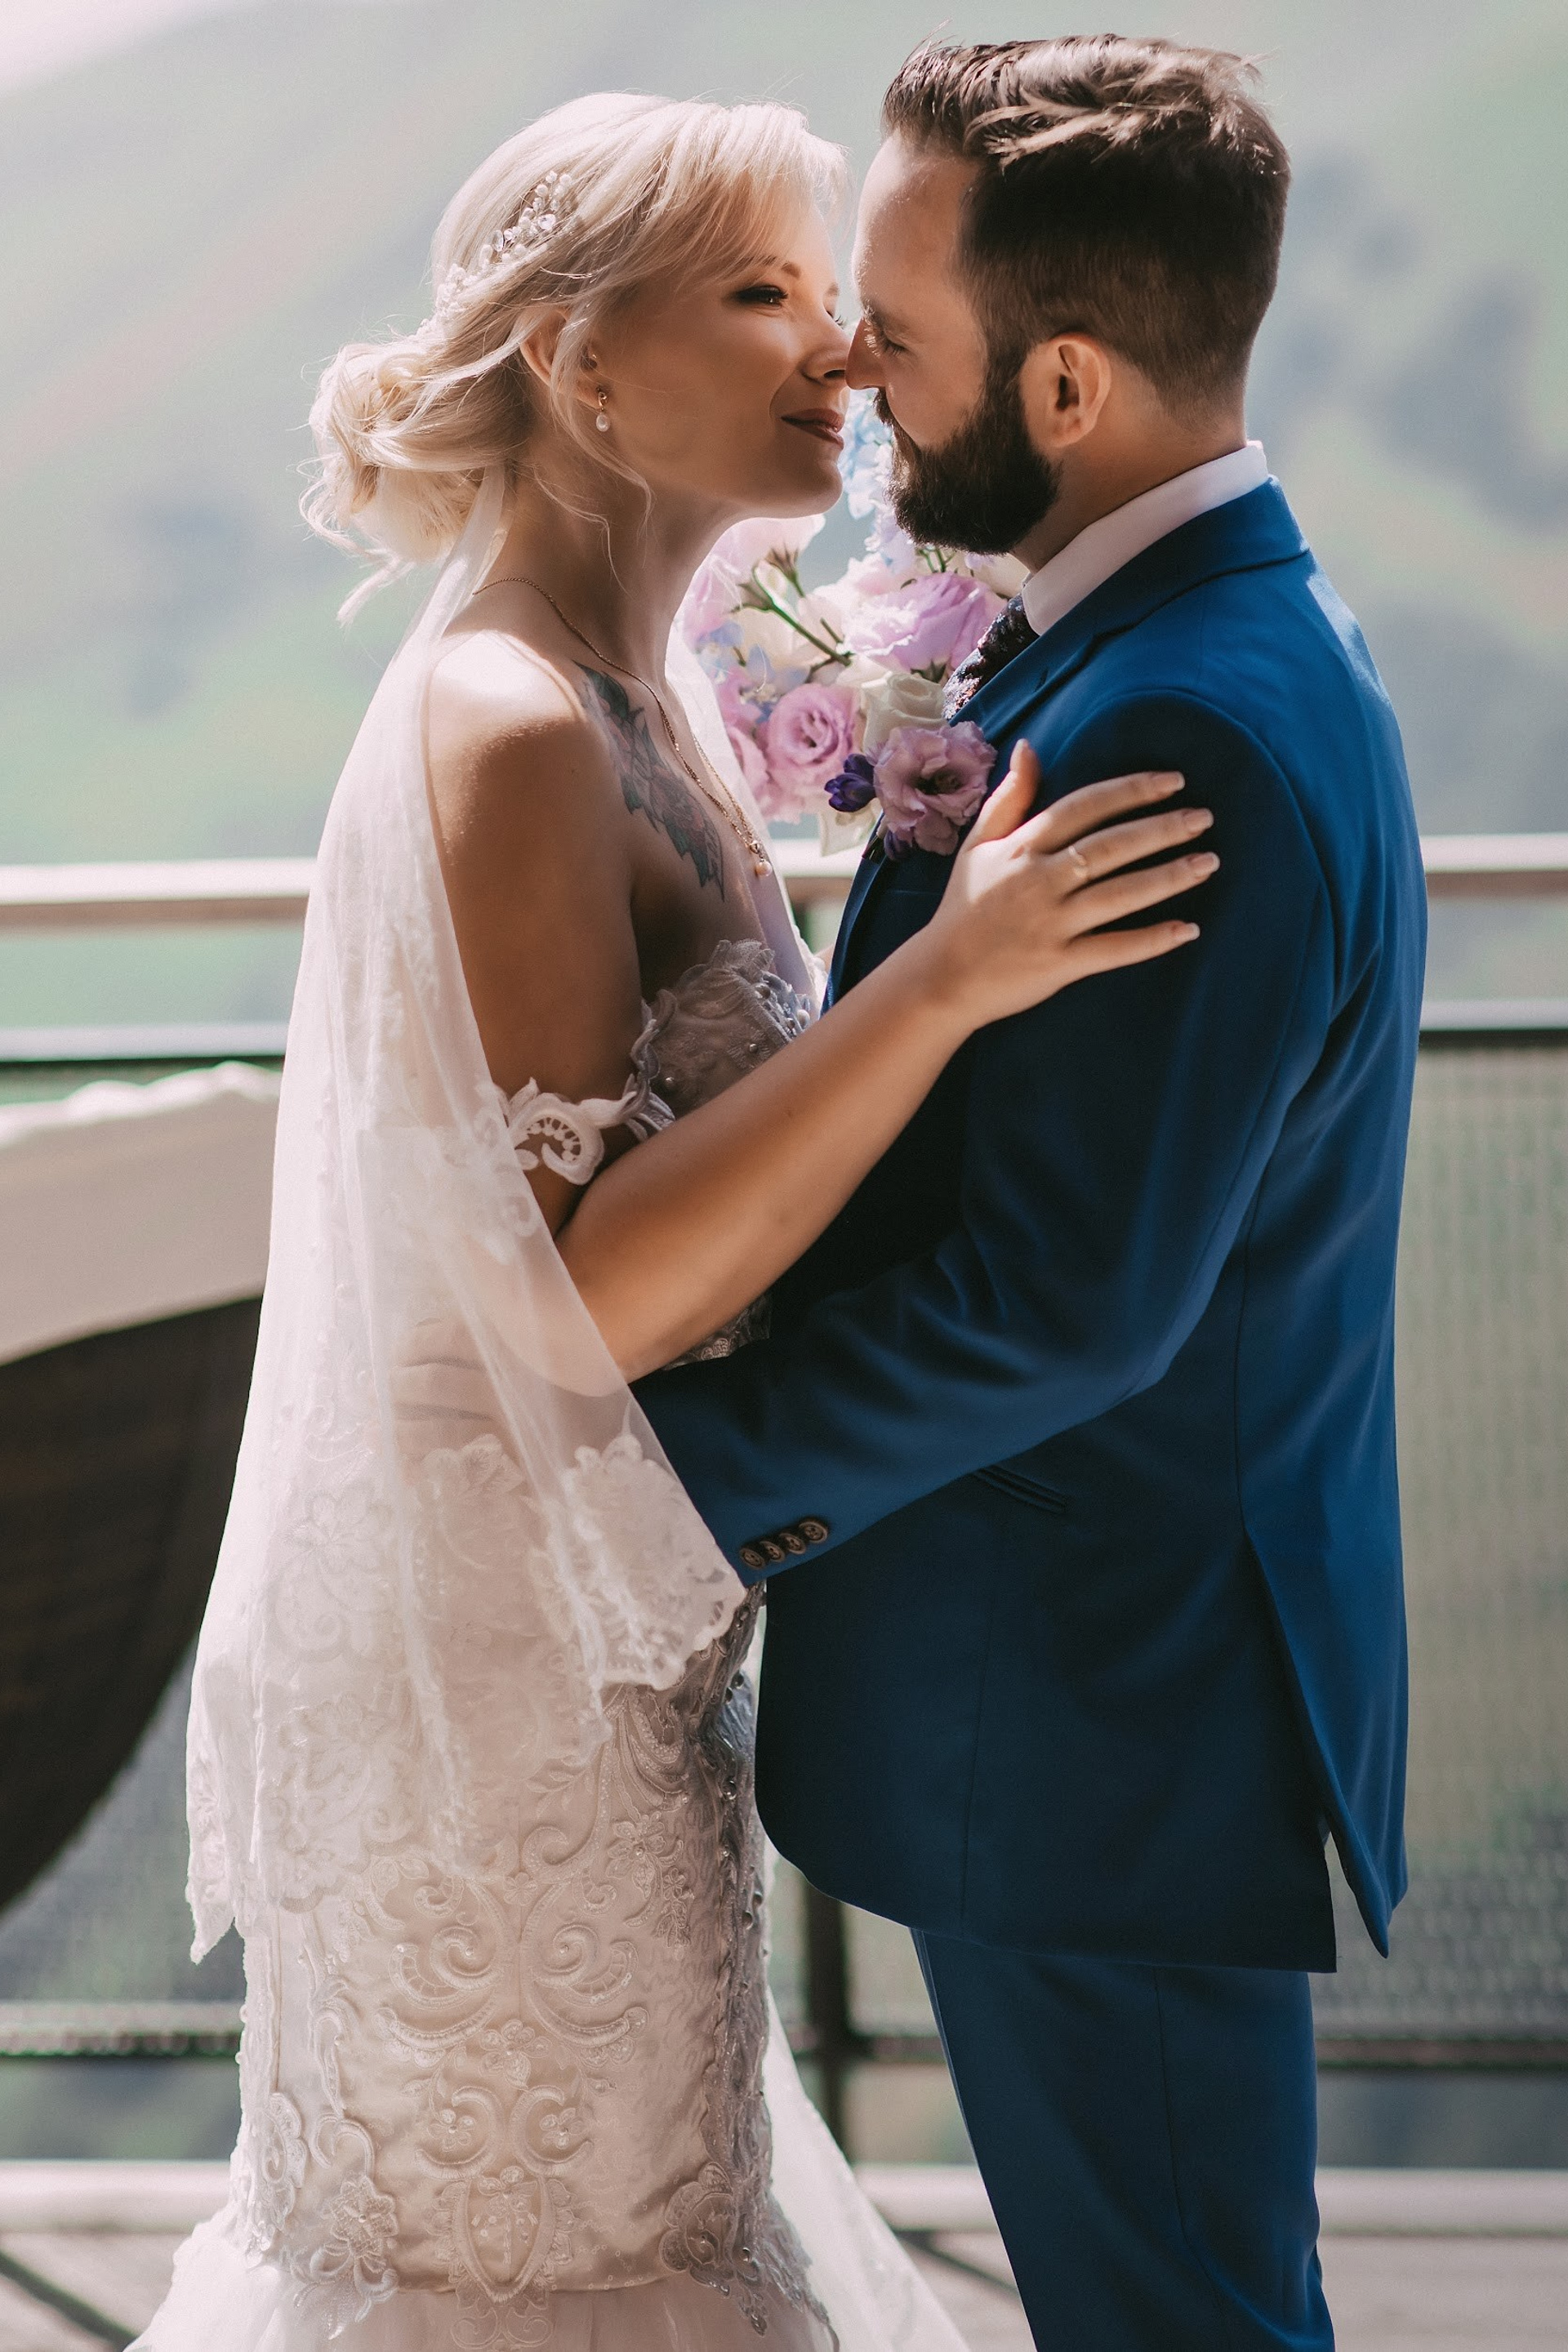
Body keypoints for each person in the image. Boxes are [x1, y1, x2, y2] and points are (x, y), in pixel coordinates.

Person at [132, 89, 1213, 2352]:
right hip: (497, 1691)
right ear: (581, 366)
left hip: (606, 1632)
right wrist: (953, 979)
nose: (838, 350)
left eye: (836, 298)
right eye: (761, 294)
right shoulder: (515, 728)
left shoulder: (648, 705)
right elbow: (582, 1299)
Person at [636, 37, 1428, 2352]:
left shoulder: (1172, 720)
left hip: (1098, 1716)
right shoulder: (1183, 637)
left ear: (1068, 380)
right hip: (1117, 1693)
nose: (855, 370)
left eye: (898, 323)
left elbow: (1061, 1308)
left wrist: (654, 1479)